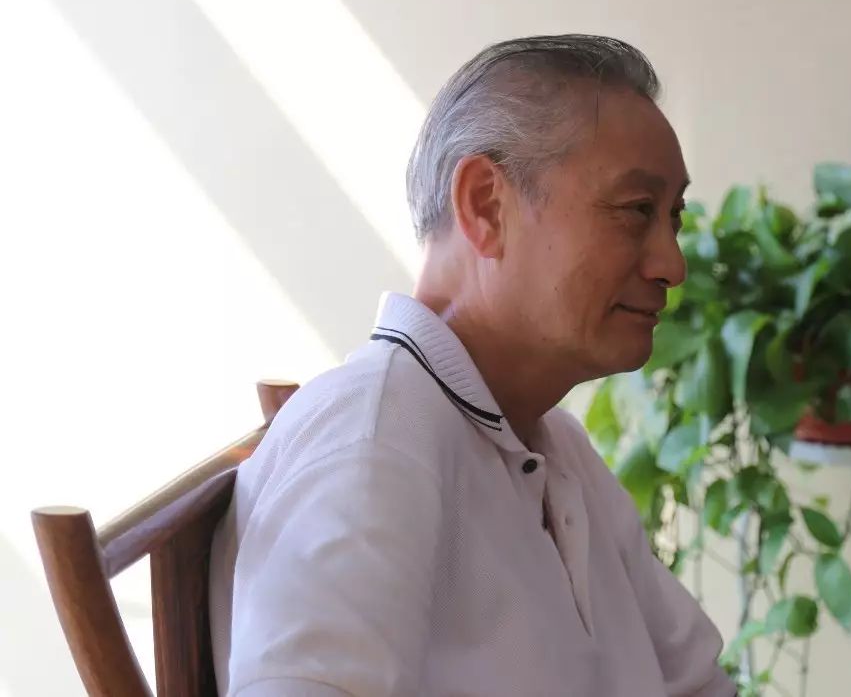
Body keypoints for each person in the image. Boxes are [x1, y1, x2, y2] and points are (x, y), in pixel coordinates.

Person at [209, 34, 735, 697]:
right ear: (486, 205)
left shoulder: (553, 444)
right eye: (636, 211)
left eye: (673, 217)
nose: (672, 264)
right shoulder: (371, 439)